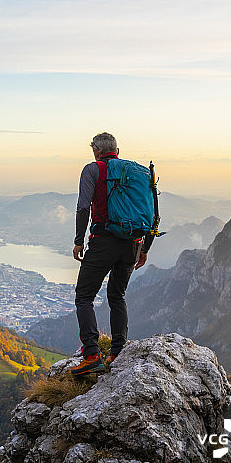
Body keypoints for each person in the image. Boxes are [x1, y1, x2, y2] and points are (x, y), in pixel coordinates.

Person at [71, 132, 151, 377]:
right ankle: (117, 351)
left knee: (84, 296)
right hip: (133, 242)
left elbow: (84, 207)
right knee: (117, 295)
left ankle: (92, 355)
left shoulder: (93, 170)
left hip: (104, 240)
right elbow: (151, 213)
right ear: (117, 150)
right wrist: (144, 248)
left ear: (96, 150)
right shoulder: (137, 173)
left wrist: (78, 241)